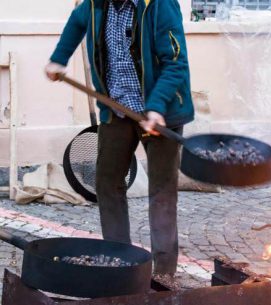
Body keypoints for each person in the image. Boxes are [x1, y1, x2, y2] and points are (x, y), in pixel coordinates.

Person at [45, 0, 194, 277]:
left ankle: (164, 273)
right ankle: (119, 260)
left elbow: (176, 63)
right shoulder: (94, 5)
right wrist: (59, 58)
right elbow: (77, 22)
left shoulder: (161, 6)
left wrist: (157, 107)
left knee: (162, 193)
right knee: (108, 183)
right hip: (117, 110)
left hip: (161, 114)